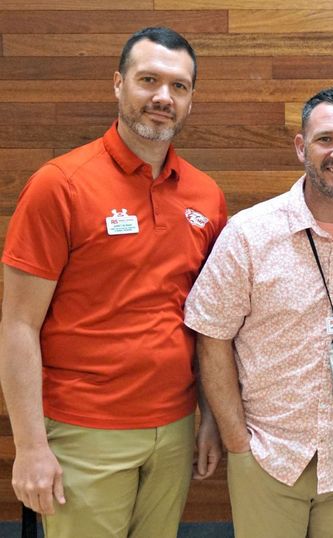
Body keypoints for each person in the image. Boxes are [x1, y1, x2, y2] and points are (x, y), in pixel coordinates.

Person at [0, 27, 226, 537]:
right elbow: (16, 325)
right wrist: (31, 446)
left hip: (173, 431)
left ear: (191, 100)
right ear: (118, 85)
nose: (163, 98)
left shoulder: (206, 196)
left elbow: (210, 322)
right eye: (149, 80)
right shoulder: (60, 185)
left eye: (180, 86)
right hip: (84, 430)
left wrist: (208, 417)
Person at [184, 87, 333, 538]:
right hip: (267, 456)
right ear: (300, 147)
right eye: (325, 139)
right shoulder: (249, 234)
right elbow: (210, 336)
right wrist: (237, 442)